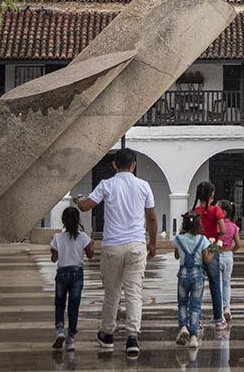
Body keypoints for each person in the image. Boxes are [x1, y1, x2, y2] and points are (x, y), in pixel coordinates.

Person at [76, 148, 157, 358]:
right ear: (134, 165)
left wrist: (78, 200)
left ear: (114, 165)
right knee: (134, 293)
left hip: (112, 246)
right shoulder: (143, 186)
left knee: (112, 293)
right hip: (136, 246)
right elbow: (152, 218)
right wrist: (153, 244)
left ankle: (108, 334)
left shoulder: (107, 184)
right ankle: (132, 338)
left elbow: (86, 206)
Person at [50, 205, 94, 351]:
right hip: (77, 273)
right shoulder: (83, 237)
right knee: (73, 306)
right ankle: (70, 339)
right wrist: (90, 244)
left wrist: (56, 251)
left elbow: (54, 259)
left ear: (63, 220)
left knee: (60, 304)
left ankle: (60, 329)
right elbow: (90, 255)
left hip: (62, 273)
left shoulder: (58, 238)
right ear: (78, 220)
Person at [172, 212, 214, 348]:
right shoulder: (203, 240)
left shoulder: (178, 239)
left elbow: (177, 256)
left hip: (183, 275)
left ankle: (183, 327)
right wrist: (213, 249)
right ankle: (194, 336)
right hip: (197, 276)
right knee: (195, 306)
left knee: (182, 304)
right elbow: (206, 259)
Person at [190, 181, 227, 329]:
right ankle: (218, 318)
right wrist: (215, 237)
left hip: (197, 249)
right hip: (211, 247)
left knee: (197, 286)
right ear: (212, 195)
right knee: (215, 284)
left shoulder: (193, 212)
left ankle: (196, 320)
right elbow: (223, 230)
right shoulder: (216, 211)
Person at [215, 199, 240, 323]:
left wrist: (213, 250)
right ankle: (227, 307)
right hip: (228, 255)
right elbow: (238, 244)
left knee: (218, 284)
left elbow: (212, 241)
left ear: (223, 213)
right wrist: (231, 250)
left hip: (217, 255)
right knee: (226, 283)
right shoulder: (233, 226)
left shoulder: (217, 225)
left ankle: (219, 311)